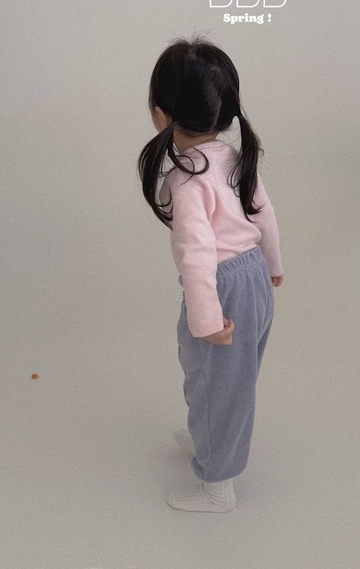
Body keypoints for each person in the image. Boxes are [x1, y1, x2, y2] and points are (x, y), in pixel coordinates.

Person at [138, 36, 283, 512]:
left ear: (161, 116)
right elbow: (263, 214)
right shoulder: (235, 160)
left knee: (217, 383)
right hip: (253, 278)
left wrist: (206, 319)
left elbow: (197, 255)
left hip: (222, 289)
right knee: (223, 379)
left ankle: (218, 483)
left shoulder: (185, 181)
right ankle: (208, 441)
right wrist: (273, 266)